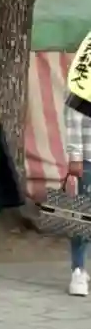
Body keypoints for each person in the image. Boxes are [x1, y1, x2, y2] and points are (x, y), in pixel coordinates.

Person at [64, 95, 91, 297]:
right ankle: (78, 269)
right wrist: (75, 156)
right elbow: (74, 114)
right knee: (83, 216)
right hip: (88, 159)